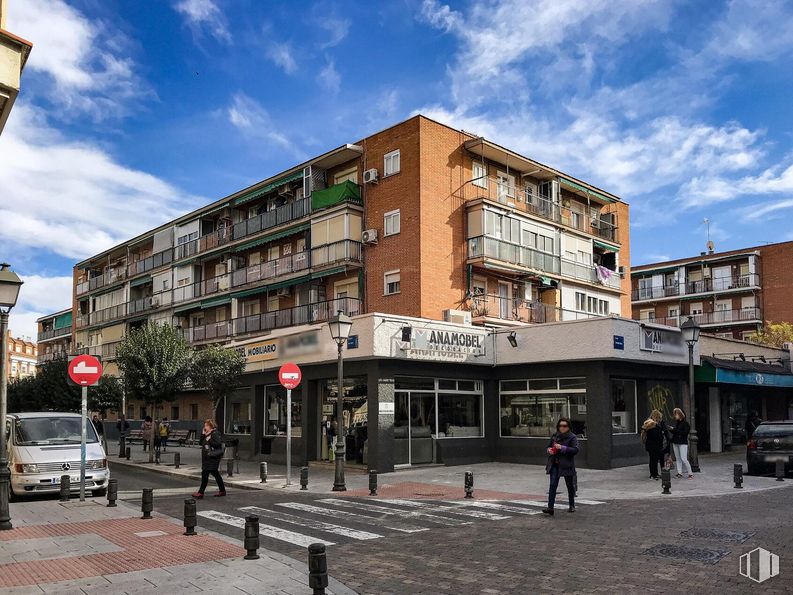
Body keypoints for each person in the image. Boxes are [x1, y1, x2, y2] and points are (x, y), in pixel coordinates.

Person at [542, 417, 579, 515]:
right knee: (553, 485)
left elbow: (575, 450)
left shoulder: (572, 437)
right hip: (555, 463)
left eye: (564, 426)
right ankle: (550, 508)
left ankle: (571, 505)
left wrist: (562, 448)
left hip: (567, 464)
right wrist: (549, 450)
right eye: (560, 426)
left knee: (569, 485)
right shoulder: (555, 436)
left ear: (568, 427)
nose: (562, 428)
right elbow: (549, 446)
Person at [193, 419, 226, 498]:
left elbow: (218, 444)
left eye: (206, 425)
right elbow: (200, 443)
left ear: (211, 426)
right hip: (207, 458)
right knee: (214, 474)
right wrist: (203, 434)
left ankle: (201, 493)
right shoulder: (207, 433)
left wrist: (209, 440)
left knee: (206, 475)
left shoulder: (215, 433)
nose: (205, 427)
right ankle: (222, 491)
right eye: (205, 425)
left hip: (212, 458)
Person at [641, 409, 667, 480]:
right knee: (654, 460)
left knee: (652, 460)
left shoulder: (648, 423)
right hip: (655, 445)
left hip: (649, 445)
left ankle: (653, 474)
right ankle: (654, 474)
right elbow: (657, 436)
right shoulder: (653, 425)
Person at [670, 408, 694, 479]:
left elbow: (684, 433)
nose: (675, 416)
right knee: (678, 459)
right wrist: (672, 430)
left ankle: (690, 473)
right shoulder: (677, 423)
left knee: (684, 459)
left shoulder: (686, 424)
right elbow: (676, 432)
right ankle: (679, 473)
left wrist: (674, 429)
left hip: (683, 443)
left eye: (676, 414)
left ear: (680, 415)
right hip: (675, 442)